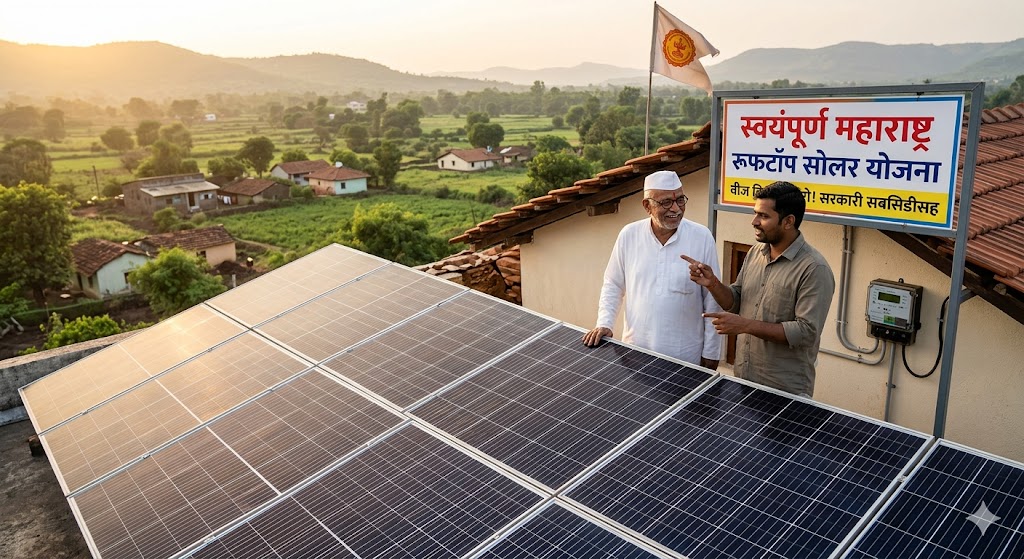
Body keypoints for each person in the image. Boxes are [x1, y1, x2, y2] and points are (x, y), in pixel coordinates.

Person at [682, 181, 835, 396]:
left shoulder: (814, 268)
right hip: (744, 380)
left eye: (763, 216)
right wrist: (713, 284)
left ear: (788, 221)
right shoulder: (755, 253)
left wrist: (745, 325)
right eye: (755, 214)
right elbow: (736, 300)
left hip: (784, 391)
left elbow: (806, 332)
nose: (754, 222)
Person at [582, 170, 723, 370]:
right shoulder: (629, 235)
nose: (676, 208)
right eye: (666, 202)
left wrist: (711, 353)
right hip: (635, 353)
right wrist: (604, 323)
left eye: (680, 200)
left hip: (685, 358)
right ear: (647, 206)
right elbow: (613, 284)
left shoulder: (702, 237)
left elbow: (712, 301)